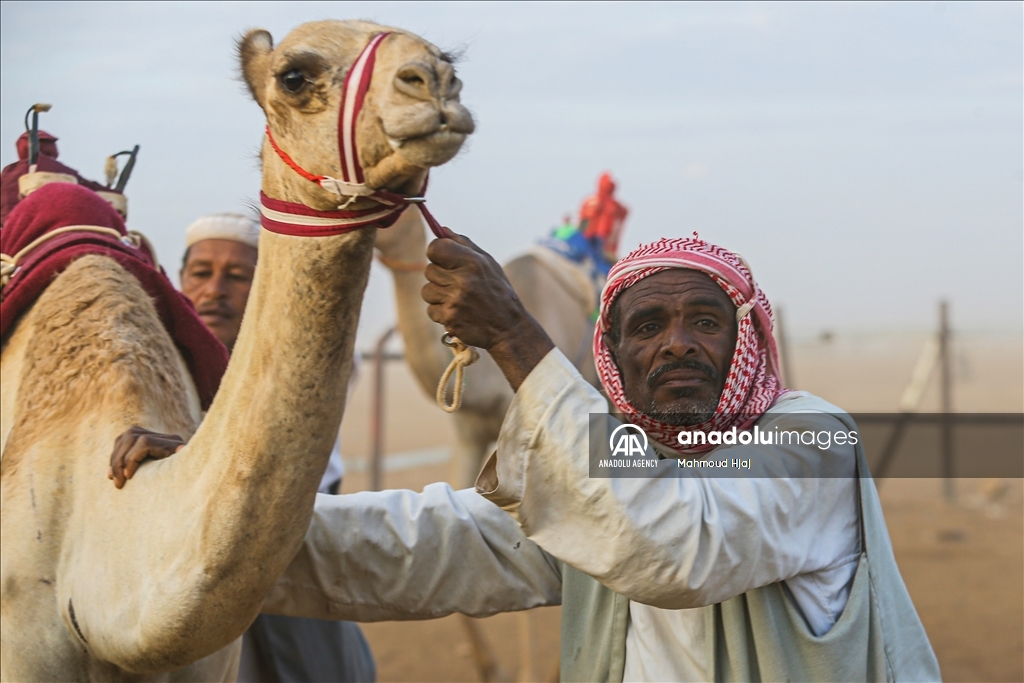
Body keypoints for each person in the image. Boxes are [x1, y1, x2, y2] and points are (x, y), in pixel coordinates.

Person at [112, 233, 939, 681]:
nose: (677, 343)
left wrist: (515, 339)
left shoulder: (809, 439)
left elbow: (676, 550)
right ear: (610, 351)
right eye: (647, 327)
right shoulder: (614, 464)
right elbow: (433, 547)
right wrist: (207, 505)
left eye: (705, 321)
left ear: (746, 337)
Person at [118, 212, 374, 683]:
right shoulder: (150, 364)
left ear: (266, 289)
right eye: (202, 273)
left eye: (237, 277)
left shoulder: (305, 366)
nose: (215, 289)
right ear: (179, 281)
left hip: (288, 565)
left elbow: (272, 472)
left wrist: (182, 461)